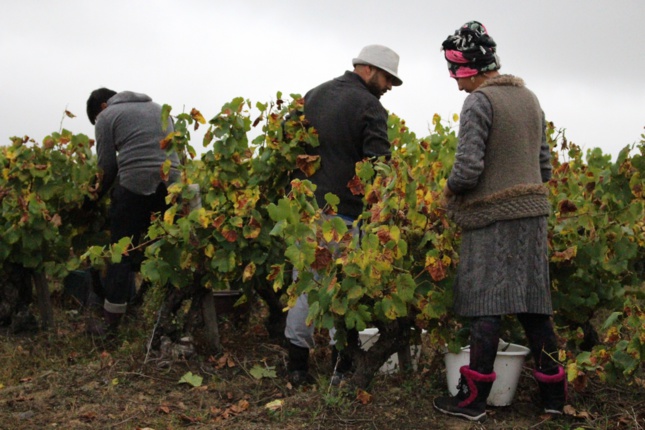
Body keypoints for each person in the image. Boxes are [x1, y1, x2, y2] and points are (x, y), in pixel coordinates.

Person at [433, 22, 566, 421]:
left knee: (485, 305)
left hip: (492, 217)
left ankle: (472, 402)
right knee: (534, 307)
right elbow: (544, 166)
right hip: (533, 216)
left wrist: (451, 191)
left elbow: (468, 169)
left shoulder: (479, 102)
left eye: (455, 73)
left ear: (470, 68)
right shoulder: (529, 98)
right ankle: (555, 400)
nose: (455, 83)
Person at [285, 45, 403, 385]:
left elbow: (291, 143)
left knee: (304, 286)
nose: (389, 86)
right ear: (368, 69)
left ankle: (296, 369)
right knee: (345, 291)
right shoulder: (370, 107)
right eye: (387, 78)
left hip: (307, 211)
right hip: (347, 216)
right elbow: (378, 165)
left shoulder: (313, 95)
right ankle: (342, 372)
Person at [85, 88, 180, 337]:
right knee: (166, 250)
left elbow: (107, 167)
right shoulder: (160, 108)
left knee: (122, 251)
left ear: (103, 107)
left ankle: (110, 326)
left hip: (135, 184)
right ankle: (167, 315)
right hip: (173, 186)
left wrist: (93, 199)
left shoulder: (107, 116)